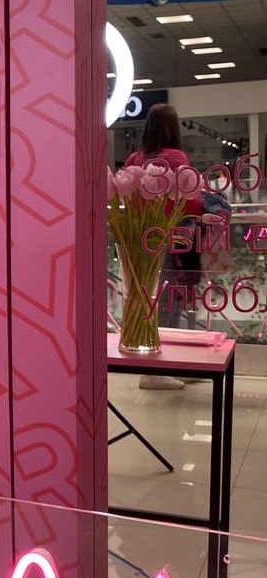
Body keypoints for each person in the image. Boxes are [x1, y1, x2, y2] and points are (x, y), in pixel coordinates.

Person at [123, 104, 204, 390]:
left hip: (140, 241)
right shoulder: (176, 158)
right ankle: (160, 368)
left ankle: (157, 364)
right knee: (170, 301)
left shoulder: (134, 159)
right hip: (170, 238)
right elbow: (191, 201)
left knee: (147, 300)